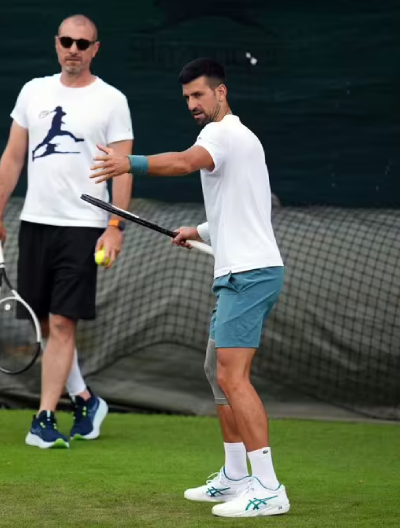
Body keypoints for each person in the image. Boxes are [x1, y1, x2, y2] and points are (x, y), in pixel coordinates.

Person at [89, 58, 289, 517]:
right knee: (216, 372)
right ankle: (235, 477)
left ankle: (269, 487)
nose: (193, 104)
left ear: (221, 92)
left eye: (199, 95)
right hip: (241, 271)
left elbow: (183, 162)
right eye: (187, 98)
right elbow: (243, 210)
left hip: (249, 275)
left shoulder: (222, 134)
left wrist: (128, 163)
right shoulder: (240, 140)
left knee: (233, 377)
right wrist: (198, 230)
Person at [0, 14, 134, 449]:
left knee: (64, 321)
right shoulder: (33, 91)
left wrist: (115, 226)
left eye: (83, 44)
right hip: (35, 223)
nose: (73, 49)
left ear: (95, 50)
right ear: (56, 44)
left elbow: (123, 170)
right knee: (46, 324)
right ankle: (85, 399)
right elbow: (13, 157)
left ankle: (44, 418)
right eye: (67, 41)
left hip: (84, 226)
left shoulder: (112, 100)